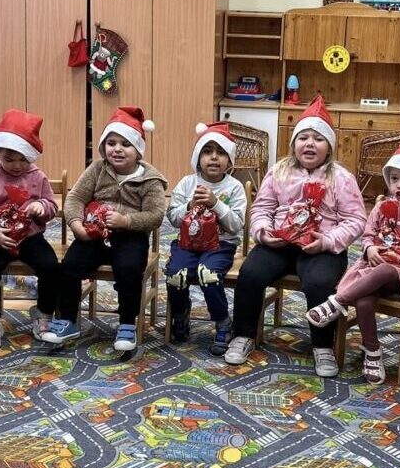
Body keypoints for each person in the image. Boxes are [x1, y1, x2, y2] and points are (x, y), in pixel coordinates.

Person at [224, 95, 367, 376]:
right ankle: (243, 334)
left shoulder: (341, 178)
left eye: (318, 139)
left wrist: (327, 241)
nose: (310, 144)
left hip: (322, 247)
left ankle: (322, 346)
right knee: (250, 273)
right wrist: (264, 233)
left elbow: (356, 220)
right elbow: (262, 208)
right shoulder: (279, 171)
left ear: (329, 147)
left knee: (320, 283)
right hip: (279, 243)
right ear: (293, 144)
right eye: (303, 138)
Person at [305, 138, 400, 383]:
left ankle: (337, 302)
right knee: (363, 302)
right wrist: (370, 248)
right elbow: (368, 235)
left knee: (386, 270)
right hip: (369, 273)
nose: (399, 185)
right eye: (394, 179)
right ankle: (373, 351)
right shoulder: (381, 207)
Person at [42, 106, 168, 352]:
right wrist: (76, 224)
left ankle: (127, 323)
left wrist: (126, 221)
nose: (117, 149)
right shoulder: (97, 169)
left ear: (138, 150)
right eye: (111, 143)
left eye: (125, 144)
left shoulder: (150, 179)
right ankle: (67, 319)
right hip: (94, 234)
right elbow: (75, 198)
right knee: (69, 267)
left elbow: (155, 215)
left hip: (130, 237)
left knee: (129, 270)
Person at [0, 108, 61, 348]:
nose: (16, 165)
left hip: (31, 237)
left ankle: (44, 313)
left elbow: (52, 205)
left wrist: (42, 207)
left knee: (51, 268)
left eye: (23, 159)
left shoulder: (37, 176)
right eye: (9, 159)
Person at [164, 122, 247, 356]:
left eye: (221, 152)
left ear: (229, 161)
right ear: (198, 158)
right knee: (176, 274)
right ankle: (180, 313)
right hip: (188, 244)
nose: (214, 157)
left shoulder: (234, 187)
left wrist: (216, 204)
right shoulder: (187, 183)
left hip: (220, 244)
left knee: (207, 274)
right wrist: (189, 205)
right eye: (207, 151)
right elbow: (172, 218)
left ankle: (222, 321)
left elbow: (236, 225)